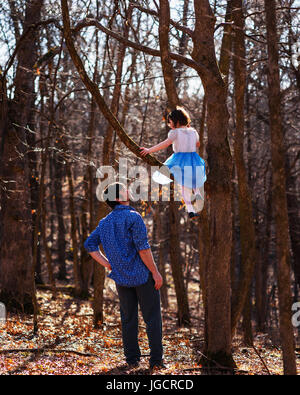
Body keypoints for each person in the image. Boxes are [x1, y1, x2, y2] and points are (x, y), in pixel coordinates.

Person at [84, 182, 164, 371]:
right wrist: (155, 272)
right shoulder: (133, 217)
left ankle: (132, 359)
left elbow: (89, 245)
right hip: (142, 276)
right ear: (119, 197)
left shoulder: (104, 223)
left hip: (121, 278)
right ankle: (156, 361)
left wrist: (108, 264)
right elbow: (143, 249)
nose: (129, 190)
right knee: (152, 318)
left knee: (128, 318)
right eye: (124, 189)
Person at [140, 106, 206, 218]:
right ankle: (198, 196)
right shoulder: (193, 132)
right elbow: (197, 144)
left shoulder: (175, 133)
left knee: (184, 186)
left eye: (170, 122)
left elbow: (165, 144)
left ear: (177, 121)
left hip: (179, 160)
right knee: (195, 183)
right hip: (193, 159)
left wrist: (149, 150)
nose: (170, 125)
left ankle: (190, 210)